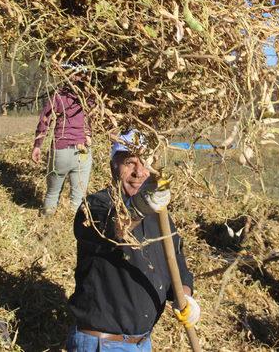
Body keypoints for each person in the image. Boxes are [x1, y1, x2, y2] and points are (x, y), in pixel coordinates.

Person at [66, 130, 199, 352]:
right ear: (112, 167)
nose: (139, 172)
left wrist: (185, 297)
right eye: (129, 162)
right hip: (103, 344)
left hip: (142, 343)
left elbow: (176, 263)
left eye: (144, 163)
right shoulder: (94, 208)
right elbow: (116, 230)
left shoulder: (161, 216)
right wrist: (140, 206)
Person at [31, 64, 93, 216]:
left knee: (52, 193)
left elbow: (45, 120)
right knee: (78, 199)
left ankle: (47, 224)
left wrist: (37, 146)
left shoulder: (59, 96)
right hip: (83, 151)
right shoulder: (91, 97)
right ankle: (71, 231)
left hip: (61, 151)